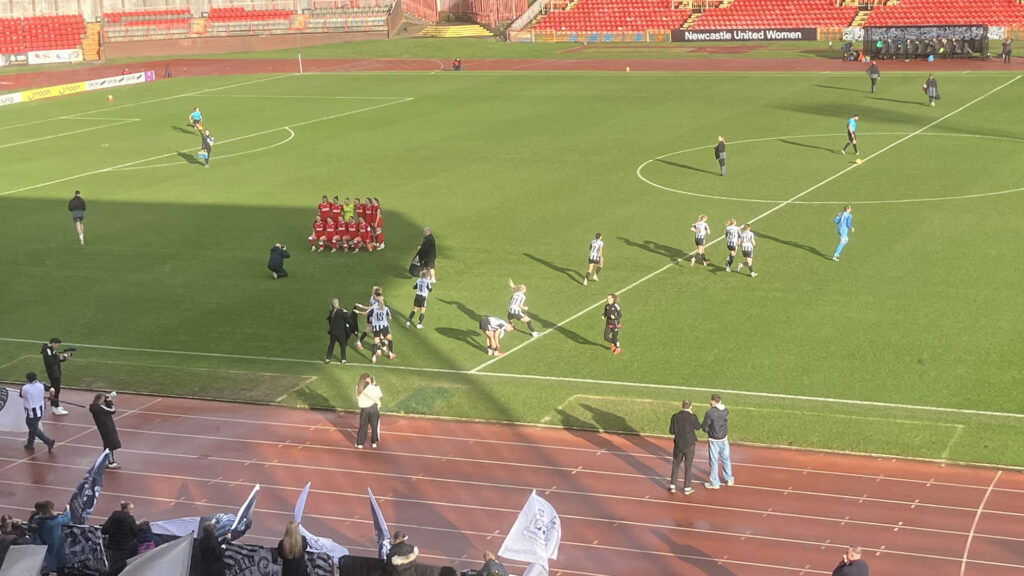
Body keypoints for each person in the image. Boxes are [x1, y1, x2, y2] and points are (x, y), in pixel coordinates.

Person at [29, 501, 72, 575]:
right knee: (60, 567)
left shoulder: (37, 520)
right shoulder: (56, 520)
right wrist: (68, 510)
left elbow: (32, 530)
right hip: (57, 547)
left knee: (45, 568)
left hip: (43, 548)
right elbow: (66, 519)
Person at [702, 393, 734, 489]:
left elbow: (704, 426)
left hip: (714, 439)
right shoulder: (725, 410)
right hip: (724, 438)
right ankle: (729, 479)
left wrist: (707, 431)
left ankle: (715, 483)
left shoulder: (710, 413)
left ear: (713, 401)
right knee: (726, 458)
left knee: (714, 461)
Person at [668, 400, 700, 495]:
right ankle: (687, 487)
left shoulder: (675, 416)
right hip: (689, 444)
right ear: (691, 406)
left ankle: (672, 485)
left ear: (682, 406)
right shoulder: (692, 417)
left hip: (678, 443)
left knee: (676, 464)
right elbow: (698, 427)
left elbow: (671, 431)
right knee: (688, 465)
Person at [20, 372, 55, 452]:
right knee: (33, 427)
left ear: (27, 379)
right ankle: (30, 444)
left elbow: (22, 395)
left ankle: (48, 441)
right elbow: (52, 389)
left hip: (31, 412)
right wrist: (51, 397)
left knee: (33, 428)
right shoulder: (41, 384)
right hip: (41, 410)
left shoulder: (25, 388)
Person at [102, 501, 138, 573]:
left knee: (112, 568)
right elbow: (136, 533)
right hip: (124, 548)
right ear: (125, 509)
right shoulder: (130, 519)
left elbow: (104, 530)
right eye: (131, 509)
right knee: (122, 569)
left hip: (112, 548)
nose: (132, 511)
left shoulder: (113, 516)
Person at [90, 392, 122, 469]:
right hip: (107, 428)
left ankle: (105, 461)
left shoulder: (95, 407)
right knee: (109, 445)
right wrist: (109, 402)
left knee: (107, 444)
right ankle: (111, 462)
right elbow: (112, 410)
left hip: (103, 428)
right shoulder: (100, 408)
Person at [41, 338, 70, 415]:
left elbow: (56, 359)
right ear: (53, 343)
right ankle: (55, 407)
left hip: (56, 372)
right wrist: (60, 357)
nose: (57, 346)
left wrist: (64, 358)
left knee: (56, 389)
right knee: (56, 390)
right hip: (53, 373)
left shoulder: (51, 350)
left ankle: (55, 406)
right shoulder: (48, 350)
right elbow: (51, 362)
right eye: (57, 345)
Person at [355, 373, 382, 448]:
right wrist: (375, 385)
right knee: (374, 426)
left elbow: (357, 397)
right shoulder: (370, 387)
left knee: (363, 426)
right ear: (367, 379)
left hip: (364, 409)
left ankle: (360, 443)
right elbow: (379, 394)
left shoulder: (358, 387)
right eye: (369, 378)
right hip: (373, 408)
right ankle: (373, 442)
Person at [367, 296, 396, 363]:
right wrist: (388, 323)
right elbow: (390, 318)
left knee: (376, 342)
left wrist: (372, 321)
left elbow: (369, 316)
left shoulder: (374, 308)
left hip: (377, 327)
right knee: (389, 339)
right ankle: (391, 354)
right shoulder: (386, 308)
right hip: (384, 326)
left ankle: (373, 358)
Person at [326, 299, 352, 364]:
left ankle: (328, 358)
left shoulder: (331, 312)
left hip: (333, 331)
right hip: (341, 332)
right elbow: (348, 320)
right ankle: (343, 359)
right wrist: (347, 312)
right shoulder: (342, 312)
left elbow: (329, 320)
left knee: (331, 345)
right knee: (342, 345)